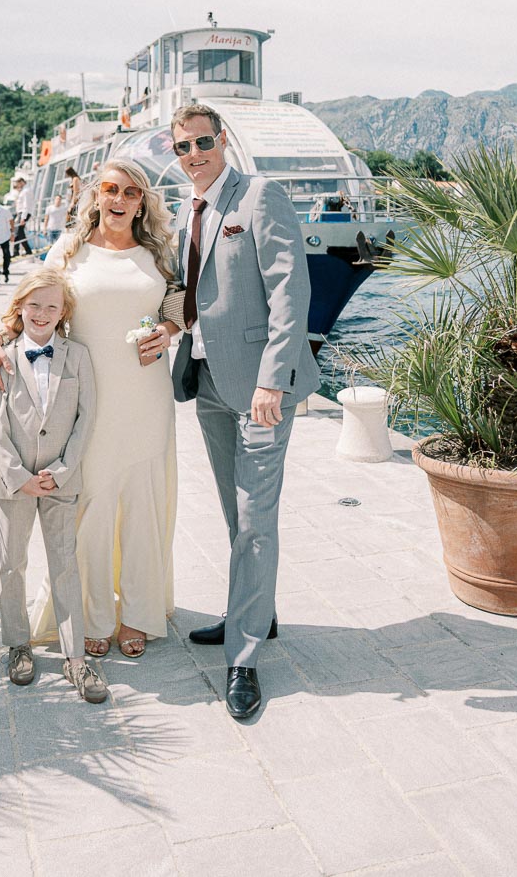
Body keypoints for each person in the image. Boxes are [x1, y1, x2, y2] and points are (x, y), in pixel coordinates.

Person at [0, 161, 178, 660]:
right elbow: (33, 303)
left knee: (141, 503)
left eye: (131, 192)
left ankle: (139, 613)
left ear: (142, 202)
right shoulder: (68, 252)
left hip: (146, 396)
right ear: (95, 195)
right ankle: (92, 614)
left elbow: (181, 302)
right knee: (89, 507)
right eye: (110, 189)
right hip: (83, 403)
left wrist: (171, 330)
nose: (119, 199)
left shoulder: (159, 253)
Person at [165, 103, 320, 720]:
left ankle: (245, 655)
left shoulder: (259, 196)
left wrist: (273, 382)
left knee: (256, 518)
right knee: (235, 510)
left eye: (203, 142)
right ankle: (257, 609)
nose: (195, 154)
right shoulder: (189, 210)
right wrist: (161, 325)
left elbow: (291, 291)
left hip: (260, 391)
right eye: (184, 147)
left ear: (221, 140)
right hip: (206, 382)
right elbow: (191, 294)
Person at [0, 269, 106, 701]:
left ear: (63, 312)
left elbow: (86, 419)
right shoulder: (3, 356)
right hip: (14, 484)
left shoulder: (78, 357)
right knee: (11, 563)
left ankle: (76, 657)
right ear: (19, 307)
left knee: (64, 564)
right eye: (34, 305)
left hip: (60, 480)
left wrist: (63, 469)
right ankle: (18, 644)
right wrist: (18, 477)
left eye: (51, 306)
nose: (42, 313)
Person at [13, 176, 33, 257]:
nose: (18, 186)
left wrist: (23, 218)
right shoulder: (24, 191)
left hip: (24, 213)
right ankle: (16, 252)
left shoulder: (26, 191)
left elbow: (26, 205)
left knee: (19, 232)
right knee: (17, 232)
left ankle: (28, 250)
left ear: (21, 182)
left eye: (18, 184)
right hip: (21, 213)